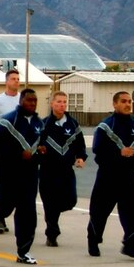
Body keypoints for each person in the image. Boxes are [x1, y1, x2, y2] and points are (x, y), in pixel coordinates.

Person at [0, 88, 43, 264]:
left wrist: (39, 153)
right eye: (29, 100)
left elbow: (41, 146)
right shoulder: (7, 122)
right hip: (9, 173)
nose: (32, 104)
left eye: (35, 101)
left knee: (27, 211)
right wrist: (18, 155)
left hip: (30, 175)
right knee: (5, 205)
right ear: (21, 101)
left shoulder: (39, 123)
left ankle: (23, 251)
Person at [87, 91, 134, 258]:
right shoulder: (106, 126)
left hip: (129, 176)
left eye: (129, 101)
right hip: (108, 176)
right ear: (115, 104)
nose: (128, 104)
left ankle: (130, 245)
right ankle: (93, 240)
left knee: (133, 210)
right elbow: (98, 151)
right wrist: (119, 153)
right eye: (123, 101)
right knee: (99, 211)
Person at [39, 91, 87, 247]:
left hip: (66, 170)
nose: (62, 105)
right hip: (48, 171)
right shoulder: (44, 124)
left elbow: (80, 144)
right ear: (52, 103)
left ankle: (53, 213)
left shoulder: (73, 124)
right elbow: (36, 145)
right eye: (59, 101)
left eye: (64, 102)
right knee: (49, 202)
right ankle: (51, 234)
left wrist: (81, 157)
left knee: (70, 200)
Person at [0, 69, 21, 236]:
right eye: (13, 79)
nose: (16, 81)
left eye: (18, 78)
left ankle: (1, 214)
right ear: (6, 81)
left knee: (17, 187)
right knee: (4, 185)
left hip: (21, 150)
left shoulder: (23, 99)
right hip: (3, 149)